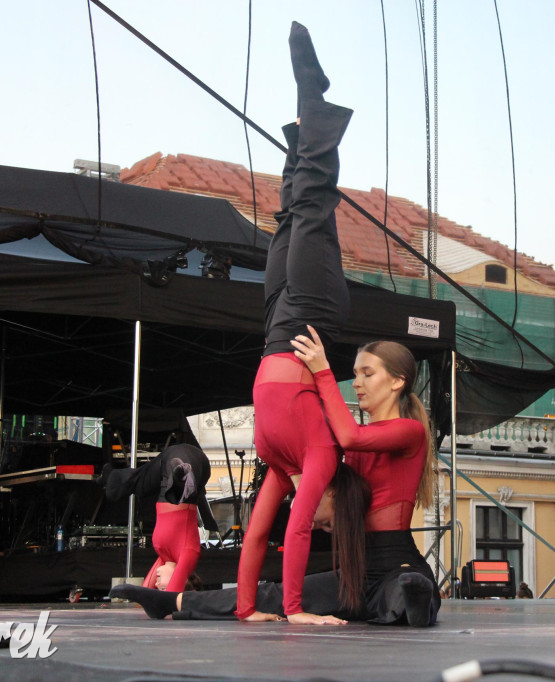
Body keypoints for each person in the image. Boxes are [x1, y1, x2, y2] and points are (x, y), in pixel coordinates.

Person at [111, 338, 441, 627]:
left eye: (367, 374)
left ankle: (417, 600)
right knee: (274, 593)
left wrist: (323, 372)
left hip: (396, 559)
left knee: (399, 588)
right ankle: (171, 602)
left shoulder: (410, 431)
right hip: (358, 568)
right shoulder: (357, 438)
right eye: (354, 374)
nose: (356, 383)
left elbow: (349, 435)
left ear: (398, 382)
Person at [235, 21, 364, 626]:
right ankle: (313, 99)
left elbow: (260, 537)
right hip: (313, 320)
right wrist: (294, 611)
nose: (317, 518)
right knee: (313, 205)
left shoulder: (278, 465)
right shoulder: (321, 462)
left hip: (273, 330)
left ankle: (299, 133)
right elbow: (296, 534)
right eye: (331, 518)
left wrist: (247, 609)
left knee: (286, 220)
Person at [100, 443, 219, 591]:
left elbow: (144, 593)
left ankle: (111, 478)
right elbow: (171, 596)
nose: (156, 584)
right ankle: (182, 480)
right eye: (161, 587)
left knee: (141, 483)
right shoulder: (187, 554)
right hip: (189, 465)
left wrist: (128, 593)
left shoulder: (164, 555)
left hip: (172, 466)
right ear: (179, 577)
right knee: (179, 488)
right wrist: (170, 591)